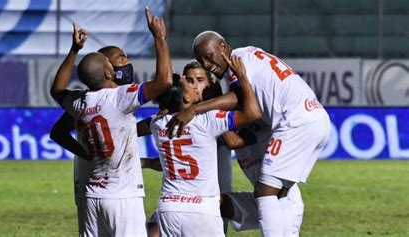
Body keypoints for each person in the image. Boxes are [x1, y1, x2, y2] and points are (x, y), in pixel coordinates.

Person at [166, 31, 331, 237]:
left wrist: (196, 109)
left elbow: (238, 100)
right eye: (201, 60)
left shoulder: (238, 64)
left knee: (266, 192)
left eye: (208, 56)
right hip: (314, 118)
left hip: (295, 121)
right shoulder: (251, 57)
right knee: (277, 193)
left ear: (223, 48)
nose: (207, 64)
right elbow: (235, 131)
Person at [49, 6, 173, 236]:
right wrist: (159, 38)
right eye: (117, 61)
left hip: (90, 196)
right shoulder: (120, 97)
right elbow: (164, 80)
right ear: (109, 73)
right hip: (122, 196)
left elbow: (57, 90)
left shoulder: (80, 102)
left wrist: (74, 50)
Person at [150, 55, 261, 236]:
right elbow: (251, 114)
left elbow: (164, 106)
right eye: (188, 82)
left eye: (199, 80)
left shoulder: (158, 123)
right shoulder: (208, 120)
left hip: (170, 206)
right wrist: (242, 78)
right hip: (202, 208)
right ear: (185, 97)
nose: (194, 85)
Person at [49, 45, 138, 235]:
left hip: (93, 189)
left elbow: (57, 131)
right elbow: (59, 131)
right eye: (121, 58)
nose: (127, 63)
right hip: (110, 189)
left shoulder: (87, 102)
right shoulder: (110, 98)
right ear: (107, 68)